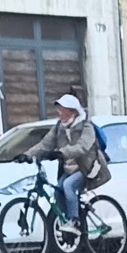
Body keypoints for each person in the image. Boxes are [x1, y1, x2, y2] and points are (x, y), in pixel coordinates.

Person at [25, 93, 110, 227]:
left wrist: (60, 153)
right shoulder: (60, 127)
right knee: (58, 190)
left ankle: (74, 221)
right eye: (60, 112)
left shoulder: (86, 127)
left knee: (68, 185)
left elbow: (82, 147)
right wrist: (28, 155)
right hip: (69, 169)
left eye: (63, 112)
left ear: (73, 112)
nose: (60, 115)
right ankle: (66, 221)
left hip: (87, 168)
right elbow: (45, 144)